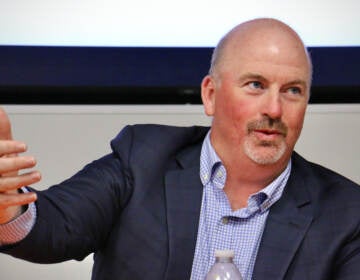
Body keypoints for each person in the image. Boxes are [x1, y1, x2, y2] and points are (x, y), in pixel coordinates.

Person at [0, 18, 360, 280]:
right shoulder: (142, 160)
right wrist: (8, 207)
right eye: (255, 85)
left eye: (293, 90)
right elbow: (54, 228)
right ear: (211, 94)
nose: (275, 109)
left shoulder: (346, 213)